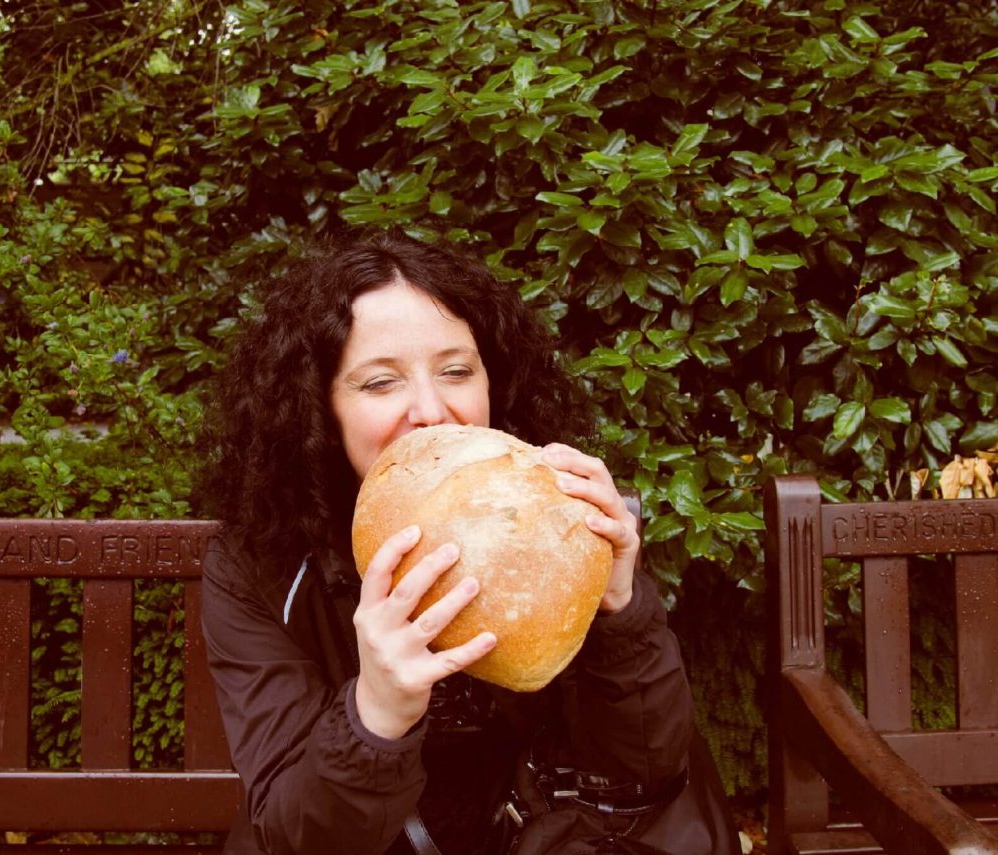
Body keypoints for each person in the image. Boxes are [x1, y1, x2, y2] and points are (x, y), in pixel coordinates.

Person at [196, 230, 739, 855]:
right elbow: (296, 837)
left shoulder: (555, 519)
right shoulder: (256, 565)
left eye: (456, 371)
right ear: (319, 408)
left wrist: (620, 614)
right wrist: (377, 712)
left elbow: (647, 772)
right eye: (379, 383)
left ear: (493, 381)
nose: (430, 410)